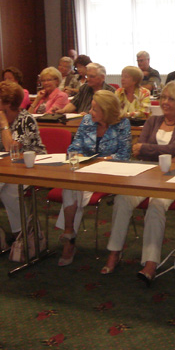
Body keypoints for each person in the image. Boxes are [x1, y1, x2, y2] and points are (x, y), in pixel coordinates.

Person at [101, 82, 175, 284]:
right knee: (122, 199)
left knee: (156, 205)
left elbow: (172, 148)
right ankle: (114, 252)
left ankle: (151, 262)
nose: (165, 102)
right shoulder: (153, 121)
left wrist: (148, 149)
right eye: (163, 97)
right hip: (146, 174)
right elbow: (138, 150)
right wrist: (166, 154)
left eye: (171, 99)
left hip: (173, 178)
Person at [55, 90, 132, 266]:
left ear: (106, 110)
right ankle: (69, 234)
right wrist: (80, 156)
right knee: (72, 186)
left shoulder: (122, 124)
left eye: (95, 109)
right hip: (86, 173)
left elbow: (124, 155)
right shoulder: (87, 121)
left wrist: (98, 160)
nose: (90, 112)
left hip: (111, 176)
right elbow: (73, 148)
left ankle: (69, 239)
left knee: (75, 189)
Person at [0, 81, 46, 235]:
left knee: (9, 189)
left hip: (32, 165)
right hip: (7, 166)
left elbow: (12, 149)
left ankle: (22, 233)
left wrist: (3, 125)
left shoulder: (25, 119)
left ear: (8, 103)